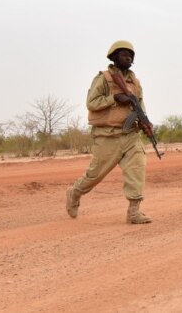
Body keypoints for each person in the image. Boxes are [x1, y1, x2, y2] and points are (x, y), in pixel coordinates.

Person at [65, 40, 152, 225]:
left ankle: (134, 212)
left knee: (137, 169)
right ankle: (75, 193)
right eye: (123, 54)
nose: (128, 57)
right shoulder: (103, 79)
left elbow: (140, 104)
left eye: (131, 55)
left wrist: (145, 121)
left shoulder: (135, 82)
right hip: (107, 136)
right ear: (114, 57)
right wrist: (114, 98)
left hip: (130, 135)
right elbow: (92, 103)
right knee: (95, 175)